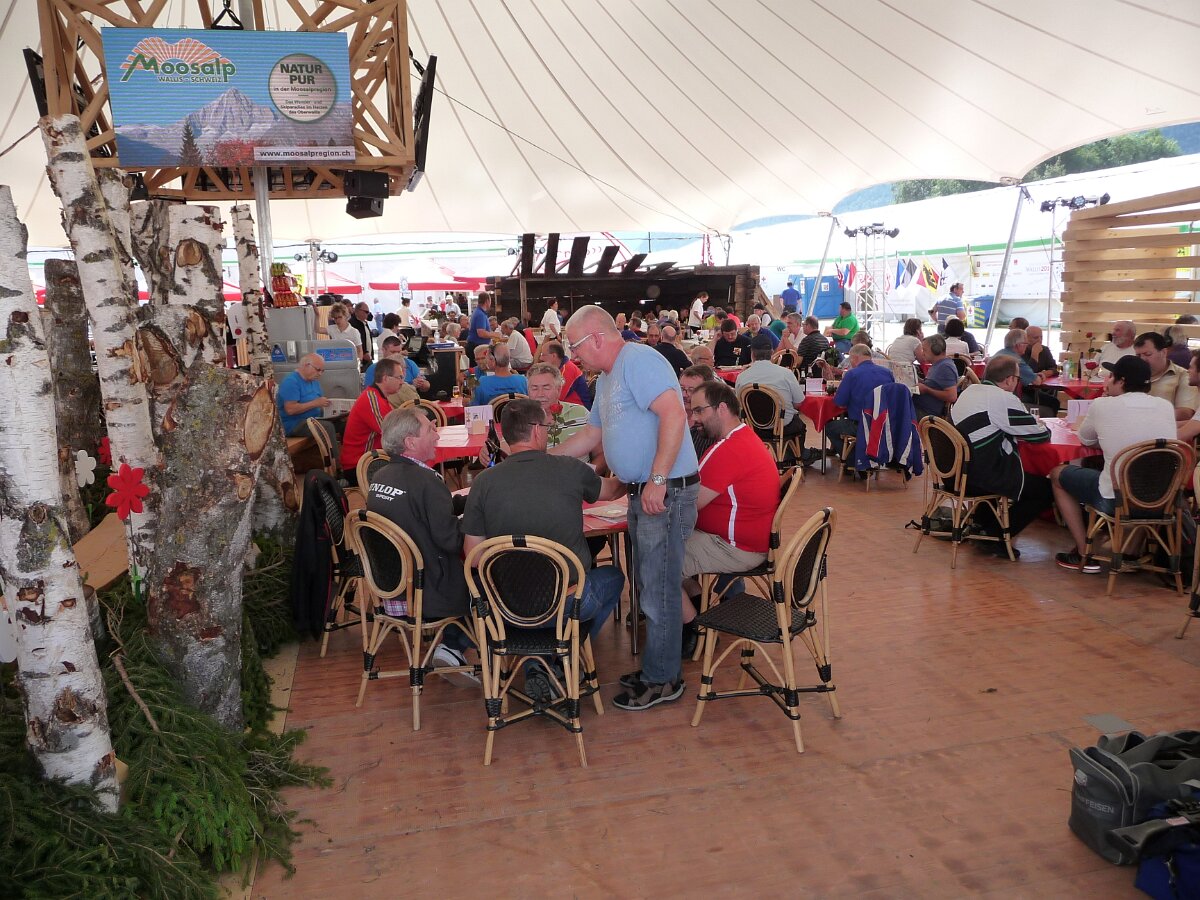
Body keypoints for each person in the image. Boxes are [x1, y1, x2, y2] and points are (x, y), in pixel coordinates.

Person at [552, 307, 699, 711]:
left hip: (663, 492)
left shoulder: (639, 360)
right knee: (650, 584)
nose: (573, 354)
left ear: (597, 338)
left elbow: (674, 415)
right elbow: (591, 434)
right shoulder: (607, 377)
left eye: (575, 345)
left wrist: (657, 479)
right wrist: (544, 458)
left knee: (658, 587)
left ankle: (663, 679)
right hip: (641, 492)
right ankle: (659, 668)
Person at [462, 398, 626, 698]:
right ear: (537, 431)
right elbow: (614, 490)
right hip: (566, 603)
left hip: (504, 607)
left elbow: (474, 556)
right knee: (613, 577)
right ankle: (563, 655)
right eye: (548, 428)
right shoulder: (570, 469)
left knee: (528, 593)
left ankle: (538, 662)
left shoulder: (483, 482)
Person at [680, 381, 780, 654]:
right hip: (746, 541)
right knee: (662, 548)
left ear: (722, 408)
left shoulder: (729, 448)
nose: (695, 419)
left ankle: (694, 628)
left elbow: (688, 505)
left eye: (699, 410)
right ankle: (699, 607)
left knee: (656, 560)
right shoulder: (743, 438)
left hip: (735, 548)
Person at [1051, 355, 1176, 572]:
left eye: (1111, 376)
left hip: (1115, 500)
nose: (1107, 380)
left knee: (1057, 474)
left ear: (1122, 381)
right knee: (1144, 477)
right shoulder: (1165, 406)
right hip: (1162, 501)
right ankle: (1129, 553)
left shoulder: (1102, 405)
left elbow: (1086, 439)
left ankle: (1083, 552)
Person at [950, 356, 1052, 556]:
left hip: (954, 472)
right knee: (1045, 490)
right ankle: (997, 536)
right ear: (1009, 379)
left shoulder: (970, 390)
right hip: (978, 477)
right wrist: (1044, 426)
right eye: (1018, 379)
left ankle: (982, 526)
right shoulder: (1003, 399)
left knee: (993, 458)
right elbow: (1039, 435)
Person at [735, 333, 807, 448]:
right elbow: (798, 403)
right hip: (783, 425)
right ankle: (795, 454)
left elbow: (739, 405)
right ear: (772, 352)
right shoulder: (786, 374)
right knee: (799, 425)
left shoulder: (741, 377)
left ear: (752, 353)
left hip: (754, 427)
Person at [825, 344, 895, 461]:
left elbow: (840, 402)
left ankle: (852, 460)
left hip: (861, 424)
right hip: (885, 423)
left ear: (854, 358)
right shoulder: (887, 372)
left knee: (830, 427)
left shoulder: (852, 374)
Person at [340, 358, 406, 481]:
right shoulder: (372, 400)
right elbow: (392, 435)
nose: (402, 382)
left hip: (371, 460)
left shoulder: (377, 396)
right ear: (385, 378)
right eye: (400, 377)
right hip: (360, 466)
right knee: (413, 469)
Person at [1135, 331, 1199, 422]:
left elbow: (1185, 413)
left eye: (1148, 354)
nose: (1142, 359)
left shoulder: (1183, 376)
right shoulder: (1131, 374)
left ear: (1164, 352)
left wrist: (1145, 418)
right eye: (1138, 356)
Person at [524, 363, 590, 450]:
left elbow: (599, 453)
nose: (540, 394)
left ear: (559, 390)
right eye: (534, 388)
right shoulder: (520, 419)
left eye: (546, 388)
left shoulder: (581, 413)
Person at [277, 353, 330, 436]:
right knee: (327, 427)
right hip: (293, 424)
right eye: (318, 370)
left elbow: (319, 403)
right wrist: (315, 403)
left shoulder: (314, 381)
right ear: (306, 365)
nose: (320, 374)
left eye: (322, 371)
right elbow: (290, 410)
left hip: (314, 419)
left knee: (342, 423)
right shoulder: (291, 381)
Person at [363, 336, 430, 396]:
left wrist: (422, 384)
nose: (396, 355)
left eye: (399, 352)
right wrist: (411, 386)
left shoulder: (410, 363)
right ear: (383, 350)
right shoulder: (373, 369)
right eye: (393, 352)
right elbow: (371, 394)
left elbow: (426, 386)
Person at [680, 364, 720, 459]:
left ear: (708, 392)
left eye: (691, 390)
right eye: (681, 388)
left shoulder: (711, 426)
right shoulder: (670, 416)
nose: (684, 394)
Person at [914, 334, 958, 419]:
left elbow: (952, 396)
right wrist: (919, 380)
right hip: (921, 407)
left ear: (936, 350)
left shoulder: (945, 367)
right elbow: (934, 384)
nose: (922, 353)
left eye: (924, 350)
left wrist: (927, 389)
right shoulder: (938, 365)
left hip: (925, 412)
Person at [539, 340, 592, 408]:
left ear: (553, 356)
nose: (540, 358)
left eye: (543, 355)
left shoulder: (567, 370)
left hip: (578, 410)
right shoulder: (557, 369)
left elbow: (556, 397)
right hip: (566, 408)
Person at [465, 292, 500, 362]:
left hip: (475, 345)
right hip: (477, 347)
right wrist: (495, 334)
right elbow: (481, 333)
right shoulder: (480, 314)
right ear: (487, 301)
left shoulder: (478, 312)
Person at [351, 301, 376, 369]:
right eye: (366, 312)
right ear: (358, 311)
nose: (368, 314)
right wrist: (364, 353)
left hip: (368, 358)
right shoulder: (352, 324)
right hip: (361, 359)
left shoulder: (363, 322)